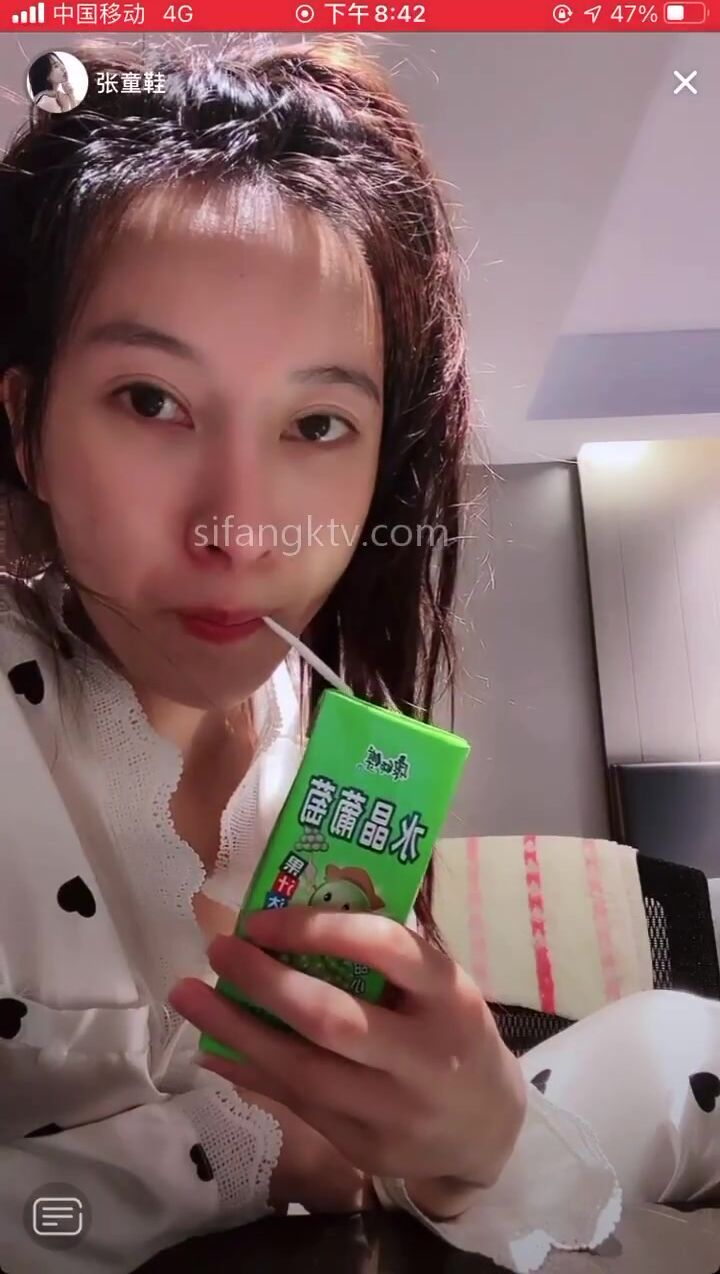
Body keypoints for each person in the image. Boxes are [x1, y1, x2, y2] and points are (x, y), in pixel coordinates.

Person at [0, 34, 718, 1274]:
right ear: (28, 430)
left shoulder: (307, 722)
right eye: (151, 401)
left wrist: (480, 1137)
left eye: (318, 423)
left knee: (681, 1039)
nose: (240, 530)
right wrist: (252, 1147)